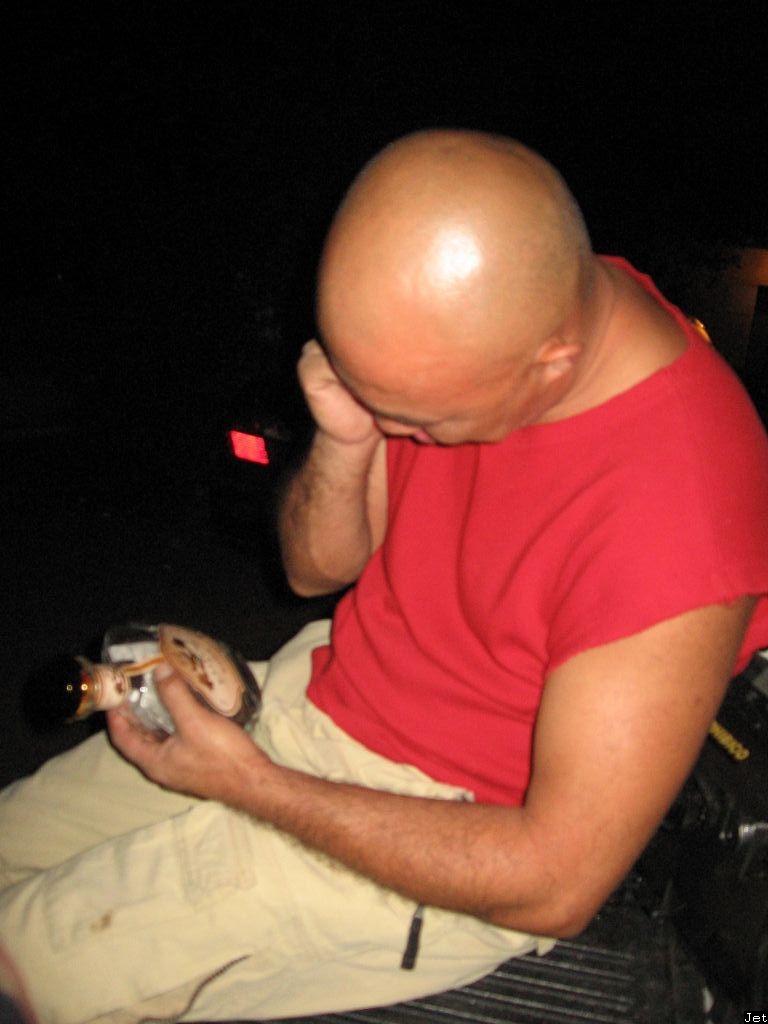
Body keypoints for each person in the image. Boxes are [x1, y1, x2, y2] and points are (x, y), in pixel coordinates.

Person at [2, 129, 768, 1023]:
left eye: (416, 420)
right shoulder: (491, 306)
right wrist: (345, 435)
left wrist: (247, 784)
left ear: (551, 362)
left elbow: (554, 881)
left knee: (23, 966)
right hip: (307, 699)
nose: (397, 433)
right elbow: (313, 570)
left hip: (437, 831)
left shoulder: (685, 517)